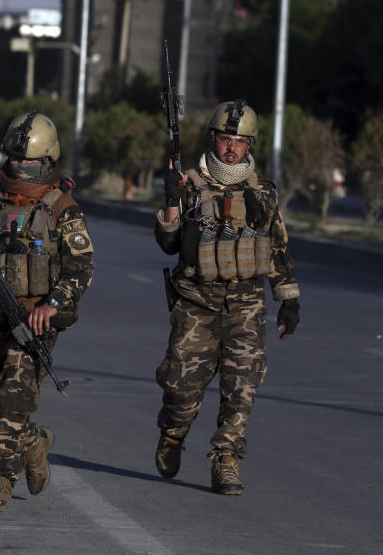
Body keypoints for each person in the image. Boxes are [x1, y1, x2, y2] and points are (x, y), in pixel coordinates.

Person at [0, 110, 94, 511]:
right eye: (14, 161)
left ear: (46, 163)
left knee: (5, 413)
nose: (19, 169)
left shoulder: (62, 207)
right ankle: (32, 441)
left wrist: (54, 303)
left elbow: (82, 266)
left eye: (27, 164)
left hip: (34, 324)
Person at [153, 99, 301, 495]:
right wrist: (170, 203)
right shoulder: (187, 184)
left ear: (249, 145)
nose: (231, 147)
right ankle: (173, 433)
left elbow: (278, 248)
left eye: (240, 140)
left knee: (242, 389)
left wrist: (287, 298)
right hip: (196, 305)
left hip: (246, 307)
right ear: (213, 139)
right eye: (225, 138)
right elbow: (168, 245)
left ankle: (227, 461)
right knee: (181, 390)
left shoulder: (262, 191)